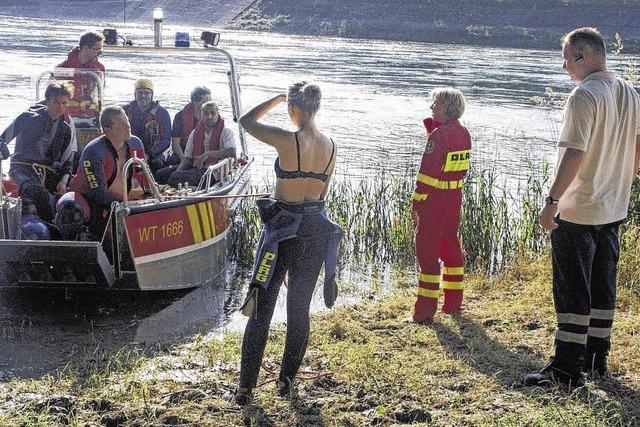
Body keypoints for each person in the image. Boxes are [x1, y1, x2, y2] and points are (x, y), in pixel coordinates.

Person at [525, 28, 640, 387]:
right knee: (603, 284)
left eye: (565, 57)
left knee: (572, 286)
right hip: (613, 205)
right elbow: (637, 151)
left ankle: (566, 369)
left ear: (581, 55)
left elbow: (575, 152)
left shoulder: (583, 95)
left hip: (578, 208)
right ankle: (596, 359)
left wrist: (552, 201)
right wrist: (620, 183)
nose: (563, 66)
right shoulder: (630, 94)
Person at [234, 82, 343, 405]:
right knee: (299, 309)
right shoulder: (331, 146)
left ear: (293, 109)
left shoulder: (287, 139)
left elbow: (246, 121)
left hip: (282, 234)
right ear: (317, 108)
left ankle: (245, 388)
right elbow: (321, 197)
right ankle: (285, 381)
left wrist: (276, 99)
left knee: (260, 308)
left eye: (289, 106)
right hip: (314, 231)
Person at [411, 87, 471, 323]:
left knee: (426, 250)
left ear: (446, 108)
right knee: (450, 247)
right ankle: (453, 303)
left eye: (435, 104)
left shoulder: (439, 136)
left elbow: (427, 173)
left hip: (435, 200)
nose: (431, 108)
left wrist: (417, 200)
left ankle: (424, 312)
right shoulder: (464, 132)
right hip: (454, 197)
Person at [59, 105, 146, 239]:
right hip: (89, 198)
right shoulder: (94, 151)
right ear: (108, 130)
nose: (127, 126)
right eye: (121, 124)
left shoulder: (136, 144)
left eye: (127, 122)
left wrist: (147, 198)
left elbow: (143, 180)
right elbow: (99, 194)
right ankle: (79, 243)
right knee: (70, 207)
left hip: (124, 200)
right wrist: (129, 204)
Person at [0, 81, 75, 222]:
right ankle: (52, 228)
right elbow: (3, 140)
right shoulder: (26, 118)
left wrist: (63, 182)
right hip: (21, 170)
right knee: (38, 192)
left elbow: (67, 163)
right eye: (56, 103)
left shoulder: (65, 129)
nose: (60, 107)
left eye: (64, 103)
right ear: (47, 101)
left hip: (49, 175)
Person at [166, 101, 236, 188]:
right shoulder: (195, 132)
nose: (210, 116)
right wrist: (176, 171)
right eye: (206, 114)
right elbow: (187, 158)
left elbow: (232, 152)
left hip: (215, 172)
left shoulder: (226, 131)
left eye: (213, 113)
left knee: (176, 177)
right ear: (202, 115)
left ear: (218, 113)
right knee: (161, 174)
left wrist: (207, 154)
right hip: (197, 168)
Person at [155, 86, 212, 184]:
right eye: (205, 102)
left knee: (179, 176)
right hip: (184, 153)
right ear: (195, 102)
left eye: (210, 101)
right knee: (160, 173)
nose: (209, 105)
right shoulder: (180, 116)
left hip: (205, 155)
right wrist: (184, 159)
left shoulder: (212, 117)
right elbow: (175, 143)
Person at [122, 79, 171, 174]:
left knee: (157, 164)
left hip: (153, 153)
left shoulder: (162, 113)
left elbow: (166, 140)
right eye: (140, 92)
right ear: (135, 94)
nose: (143, 96)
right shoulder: (125, 110)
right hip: (128, 150)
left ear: (152, 95)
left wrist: (148, 155)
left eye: (147, 93)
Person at [57, 31, 105, 120]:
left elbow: (99, 96)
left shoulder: (100, 68)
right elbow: (54, 98)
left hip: (91, 117)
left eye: (101, 50)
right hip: (66, 117)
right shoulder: (62, 69)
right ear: (86, 48)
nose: (100, 53)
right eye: (97, 49)